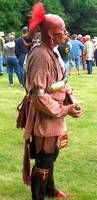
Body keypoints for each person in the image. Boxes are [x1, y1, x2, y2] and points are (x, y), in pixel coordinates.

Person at [22, 1, 82, 200]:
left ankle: (48, 189)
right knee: (43, 159)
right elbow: (39, 95)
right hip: (45, 116)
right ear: (50, 34)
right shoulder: (41, 55)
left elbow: (58, 82)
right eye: (61, 31)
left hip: (54, 114)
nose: (65, 33)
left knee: (51, 155)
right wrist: (66, 110)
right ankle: (38, 196)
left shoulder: (52, 50)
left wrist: (70, 99)